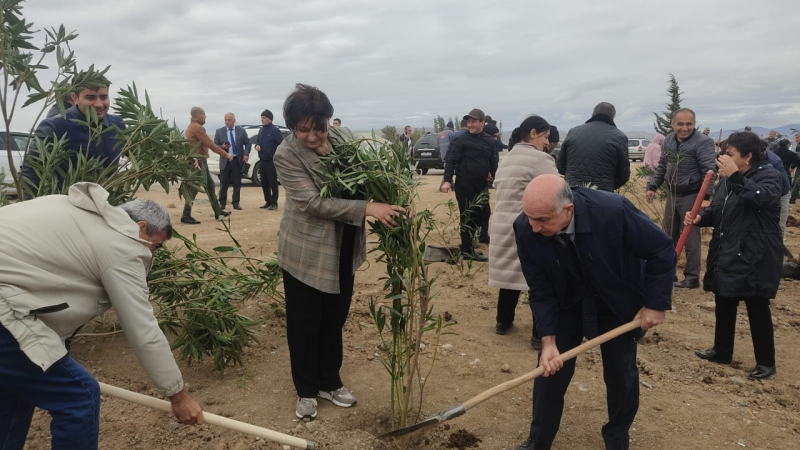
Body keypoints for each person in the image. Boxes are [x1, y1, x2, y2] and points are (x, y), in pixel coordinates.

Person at [0, 183, 204, 449]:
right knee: (79, 397)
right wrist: (178, 395)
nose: (153, 254)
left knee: (17, 391)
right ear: (141, 227)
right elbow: (143, 330)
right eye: (157, 246)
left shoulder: (72, 209)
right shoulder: (124, 245)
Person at [273, 83, 406, 420]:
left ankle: (330, 381)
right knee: (305, 322)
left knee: (334, 317)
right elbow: (312, 202)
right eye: (304, 130)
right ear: (293, 127)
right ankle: (306, 389)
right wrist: (369, 207)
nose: (314, 136)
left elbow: (373, 170)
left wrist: (394, 192)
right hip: (306, 250)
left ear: (327, 121)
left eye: (318, 127)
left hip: (343, 244)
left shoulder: (344, 138)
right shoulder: (286, 155)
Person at [512, 175, 675, 450]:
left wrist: (655, 304)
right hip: (567, 299)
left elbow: (661, 249)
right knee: (549, 371)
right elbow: (539, 288)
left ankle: (616, 439)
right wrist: (548, 340)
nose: (534, 226)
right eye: (529, 217)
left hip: (614, 298)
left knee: (620, 373)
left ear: (568, 210)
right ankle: (538, 441)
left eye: (542, 220)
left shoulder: (612, 212)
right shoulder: (526, 228)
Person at [689, 132, 782, 380]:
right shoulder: (729, 180)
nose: (723, 158)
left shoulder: (769, 175)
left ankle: (765, 362)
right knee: (725, 299)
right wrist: (701, 218)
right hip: (729, 247)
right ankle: (722, 350)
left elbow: (763, 198)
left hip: (756, 252)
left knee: (756, 304)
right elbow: (719, 210)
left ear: (748, 156)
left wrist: (736, 176)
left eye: (729, 154)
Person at [489, 116, 558, 349]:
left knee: (509, 274)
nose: (547, 143)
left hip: (502, 222)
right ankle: (540, 334)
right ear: (533, 133)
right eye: (546, 137)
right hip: (529, 224)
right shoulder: (540, 160)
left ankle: (503, 321)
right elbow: (555, 192)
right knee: (541, 279)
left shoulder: (506, 159)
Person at [21, 73, 125, 198]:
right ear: (75, 98)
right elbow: (31, 171)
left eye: (103, 97)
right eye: (91, 97)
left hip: (107, 202)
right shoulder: (55, 126)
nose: (99, 104)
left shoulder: (117, 124)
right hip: (67, 205)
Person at [646, 108, 716, 289]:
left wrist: (706, 197)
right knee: (668, 234)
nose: (684, 128)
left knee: (691, 238)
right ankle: (669, 272)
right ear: (673, 124)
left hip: (692, 195)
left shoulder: (703, 142)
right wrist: (653, 186)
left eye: (689, 124)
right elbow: (662, 164)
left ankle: (692, 277)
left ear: (694, 124)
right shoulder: (669, 140)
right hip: (673, 194)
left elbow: (709, 170)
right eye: (680, 124)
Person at [441, 108, 498, 261]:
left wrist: (496, 178)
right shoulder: (462, 140)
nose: (470, 124)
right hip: (464, 184)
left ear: (482, 122)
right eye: (469, 121)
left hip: (481, 184)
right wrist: (447, 180)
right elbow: (451, 161)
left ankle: (469, 246)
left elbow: (493, 162)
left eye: (473, 121)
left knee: (481, 214)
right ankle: (467, 250)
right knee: (467, 216)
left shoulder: (488, 140)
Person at [556, 102, 630, 192]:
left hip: (572, 193)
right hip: (602, 195)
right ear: (613, 117)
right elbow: (623, 174)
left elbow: (561, 167)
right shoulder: (619, 137)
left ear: (592, 114)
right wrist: (607, 185)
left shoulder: (573, 132)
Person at [181, 107, 232, 224]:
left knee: (210, 186)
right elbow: (210, 143)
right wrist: (225, 154)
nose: (205, 116)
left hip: (200, 162)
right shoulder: (197, 128)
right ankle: (186, 215)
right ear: (199, 115)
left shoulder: (191, 127)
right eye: (204, 114)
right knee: (194, 188)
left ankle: (218, 212)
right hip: (197, 163)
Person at [214, 113, 251, 211]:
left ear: (234, 120)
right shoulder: (219, 131)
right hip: (225, 161)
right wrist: (222, 147)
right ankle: (222, 203)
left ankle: (236, 202)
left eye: (229, 120)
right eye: (225, 120)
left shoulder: (241, 131)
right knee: (224, 183)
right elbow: (215, 146)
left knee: (237, 183)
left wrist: (246, 153)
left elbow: (248, 143)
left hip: (237, 160)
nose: (227, 122)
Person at [256, 109, 284, 210]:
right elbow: (258, 142)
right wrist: (257, 146)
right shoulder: (261, 130)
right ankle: (267, 201)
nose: (262, 120)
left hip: (271, 160)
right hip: (262, 159)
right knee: (264, 182)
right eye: (261, 118)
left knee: (272, 182)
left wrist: (275, 154)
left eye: (264, 118)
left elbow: (280, 144)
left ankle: (274, 202)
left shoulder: (275, 130)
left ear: (270, 119)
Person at [478, 123, 502, 243]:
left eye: (497, 136)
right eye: (494, 136)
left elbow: (492, 163)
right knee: (477, 210)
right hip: (473, 184)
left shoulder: (492, 146)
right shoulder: (479, 146)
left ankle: (483, 235)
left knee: (485, 210)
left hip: (484, 183)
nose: (496, 138)